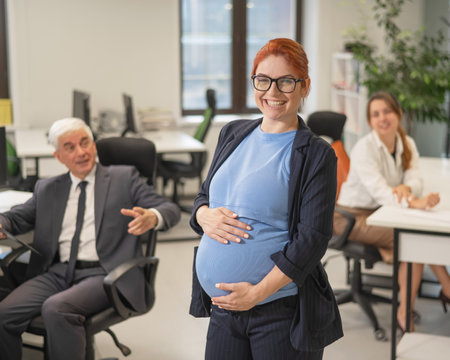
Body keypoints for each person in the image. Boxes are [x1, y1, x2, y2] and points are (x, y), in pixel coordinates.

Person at [189, 38, 343, 360]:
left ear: (304, 86)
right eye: (263, 80)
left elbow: (313, 239)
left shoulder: (316, 154)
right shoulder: (232, 133)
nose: (272, 92)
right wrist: (203, 214)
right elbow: (205, 195)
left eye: (286, 81)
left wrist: (257, 292)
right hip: (224, 309)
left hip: (279, 310)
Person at [0, 118, 181, 360]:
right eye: (70, 147)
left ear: (94, 145)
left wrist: (153, 216)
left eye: (85, 143)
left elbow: (169, 208)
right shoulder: (48, 188)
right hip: (58, 272)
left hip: (104, 273)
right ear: (58, 156)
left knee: (57, 308)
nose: (81, 152)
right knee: (4, 313)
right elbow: (17, 218)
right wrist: (2, 223)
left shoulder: (123, 178)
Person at [335, 91, 450, 332]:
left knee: (415, 239)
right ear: (370, 121)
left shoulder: (406, 143)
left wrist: (406, 188)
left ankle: (413, 306)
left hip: (381, 211)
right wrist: (414, 202)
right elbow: (381, 192)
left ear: (398, 113)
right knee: (412, 239)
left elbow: (415, 177)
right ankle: (433, 296)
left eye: (387, 111)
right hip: (350, 217)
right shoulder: (364, 148)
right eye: (375, 114)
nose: (382, 118)